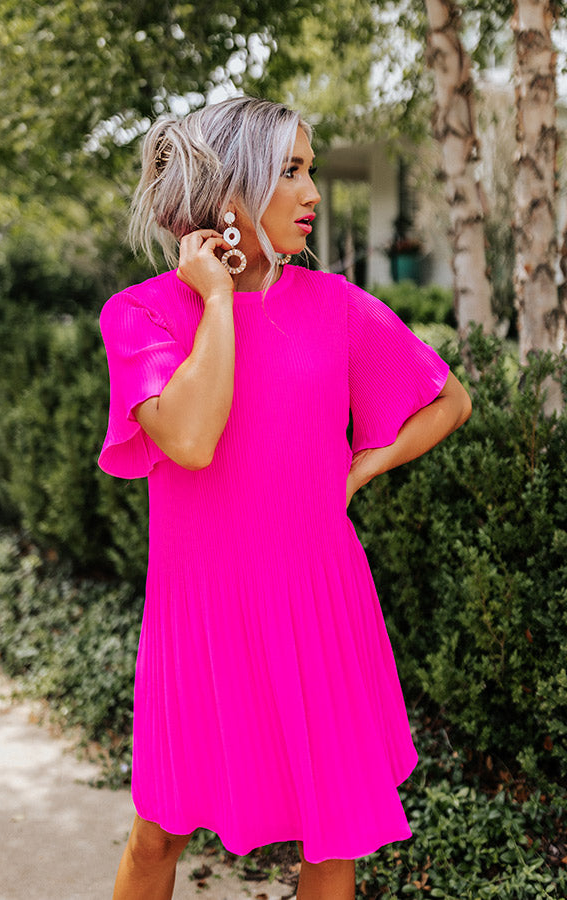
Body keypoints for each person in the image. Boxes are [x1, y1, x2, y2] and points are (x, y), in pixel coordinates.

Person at [98, 96, 471, 900]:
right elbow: (192, 440)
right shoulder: (143, 314)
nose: (312, 193)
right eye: (290, 171)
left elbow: (450, 400)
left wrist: (361, 467)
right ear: (231, 190)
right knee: (159, 833)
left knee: (332, 838)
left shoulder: (335, 306)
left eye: (311, 170)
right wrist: (222, 301)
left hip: (319, 603)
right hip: (198, 615)